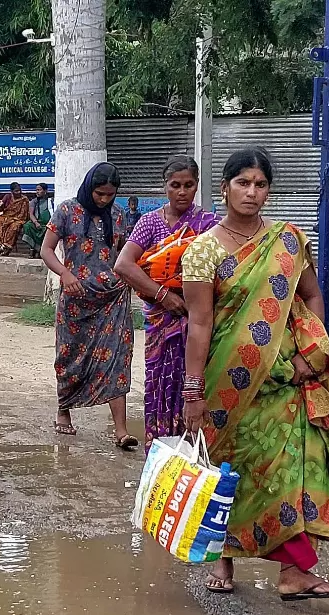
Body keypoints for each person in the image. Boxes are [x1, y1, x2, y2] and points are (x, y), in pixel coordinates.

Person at [179, 146, 329, 600]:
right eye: (243, 183)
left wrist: (308, 353)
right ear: (224, 188)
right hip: (227, 380)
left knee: (292, 466)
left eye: (260, 185)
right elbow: (199, 324)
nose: (252, 193)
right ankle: (222, 557)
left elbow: (313, 296)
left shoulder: (288, 241)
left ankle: (295, 573)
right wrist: (193, 390)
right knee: (230, 470)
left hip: (284, 381)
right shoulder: (202, 252)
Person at [115, 156, 220, 447]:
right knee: (160, 384)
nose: (182, 191)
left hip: (200, 320)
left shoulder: (210, 225)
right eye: (175, 185)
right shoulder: (150, 223)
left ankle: (197, 457)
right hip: (162, 322)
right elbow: (124, 265)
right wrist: (165, 295)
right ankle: (162, 452)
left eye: (189, 185)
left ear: (197, 186)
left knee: (199, 385)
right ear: (165, 187)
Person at [39, 162, 137, 449]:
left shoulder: (118, 216)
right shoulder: (67, 211)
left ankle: (121, 430)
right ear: (88, 188)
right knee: (69, 356)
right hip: (76, 298)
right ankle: (64, 410)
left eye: (110, 195)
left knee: (117, 359)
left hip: (112, 297)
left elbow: (124, 254)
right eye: (99, 194)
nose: (104, 200)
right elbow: (46, 249)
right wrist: (64, 274)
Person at [0, 182, 28, 255]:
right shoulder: (7, 196)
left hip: (18, 219)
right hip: (6, 216)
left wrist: (13, 220)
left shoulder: (24, 199)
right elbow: (0, 209)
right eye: (16, 191)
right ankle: (3, 246)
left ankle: (4, 248)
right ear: (12, 192)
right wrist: (0, 205)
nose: (19, 192)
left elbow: (24, 215)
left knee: (14, 227)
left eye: (20, 190)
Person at [22, 183, 52, 259]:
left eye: (39, 190)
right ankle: (32, 249)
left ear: (45, 191)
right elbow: (31, 214)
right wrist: (36, 222)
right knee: (27, 226)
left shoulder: (50, 201)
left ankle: (40, 251)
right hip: (36, 222)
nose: (37, 192)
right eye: (36, 190)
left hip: (47, 223)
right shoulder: (34, 201)